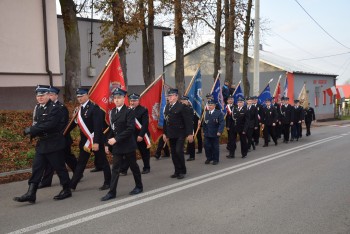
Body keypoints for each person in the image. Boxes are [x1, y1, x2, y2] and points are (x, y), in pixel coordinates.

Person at [14, 85, 72, 203]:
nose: (40, 97)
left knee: (59, 167)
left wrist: (31, 130)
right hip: (42, 144)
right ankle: (31, 193)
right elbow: (37, 123)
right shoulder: (38, 108)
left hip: (54, 143)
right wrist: (34, 132)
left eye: (43, 95)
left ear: (48, 95)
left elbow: (50, 124)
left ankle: (66, 189)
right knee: (37, 167)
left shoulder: (55, 108)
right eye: (38, 95)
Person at [101, 88, 143, 201]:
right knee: (115, 169)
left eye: (119, 98)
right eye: (114, 98)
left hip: (128, 144)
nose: (116, 100)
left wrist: (116, 139)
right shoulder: (113, 112)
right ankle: (112, 192)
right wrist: (106, 143)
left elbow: (130, 129)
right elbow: (112, 129)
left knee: (133, 166)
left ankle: (139, 186)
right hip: (117, 146)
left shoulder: (129, 111)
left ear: (124, 98)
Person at [66, 88, 111, 191]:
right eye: (78, 96)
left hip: (96, 140)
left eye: (81, 96)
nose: (79, 98)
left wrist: (96, 142)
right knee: (81, 163)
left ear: (87, 95)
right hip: (85, 142)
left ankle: (108, 182)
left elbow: (98, 127)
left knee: (103, 162)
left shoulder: (95, 108)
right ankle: (72, 185)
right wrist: (64, 133)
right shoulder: (79, 109)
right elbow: (75, 123)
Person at [37, 86, 78, 189]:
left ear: (56, 96)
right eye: (48, 94)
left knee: (67, 157)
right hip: (52, 140)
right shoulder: (46, 107)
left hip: (62, 138)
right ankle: (46, 181)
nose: (49, 96)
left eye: (51, 94)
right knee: (50, 160)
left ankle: (77, 173)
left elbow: (63, 125)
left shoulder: (61, 107)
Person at [163, 89, 193, 179]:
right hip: (171, 134)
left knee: (178, 151)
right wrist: (165, 133)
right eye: (169, 96)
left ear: (176, 96)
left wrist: (190, 134)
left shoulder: (182, 107)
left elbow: (188, 122)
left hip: (180, 133)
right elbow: (165, 121)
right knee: (173, 153)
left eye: (171, 96)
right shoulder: (168, 107)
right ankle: (177, 171)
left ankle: (182, 170)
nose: (169, 97)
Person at [120, 93, 151, 175]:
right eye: (131, 101)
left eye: (134, 101)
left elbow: (145, 124)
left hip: (141, 135)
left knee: (144, 152)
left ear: (138, 101)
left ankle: (146, 167)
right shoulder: (127, 109)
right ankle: (124, 169)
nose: (132, 102)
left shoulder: (143, 110)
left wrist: (141, 135)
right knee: (128, 152)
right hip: (130, 135)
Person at [203, 100, 225, 165]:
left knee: (215, 147)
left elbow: (222, 123)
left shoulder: (219, 113)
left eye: (211, 105)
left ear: (214, 106)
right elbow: (204, 123)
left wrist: (219, 131)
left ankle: (215, 159)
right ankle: (209, 158)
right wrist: (203, 131)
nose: (209, 106)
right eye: (209, 105)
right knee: (207, 146)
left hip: (215, 133)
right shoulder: (205, 113)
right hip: (207, 133)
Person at [181, 96, 196, 161]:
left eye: (184, 101)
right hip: (182, 127)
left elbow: (191, 119)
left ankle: (192, 156)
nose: (183, 102)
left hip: (189, 126)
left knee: (191, 140)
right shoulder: (181, 108)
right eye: (182, 101)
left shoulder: (189, 108)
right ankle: (187, 151)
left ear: (187, 101)